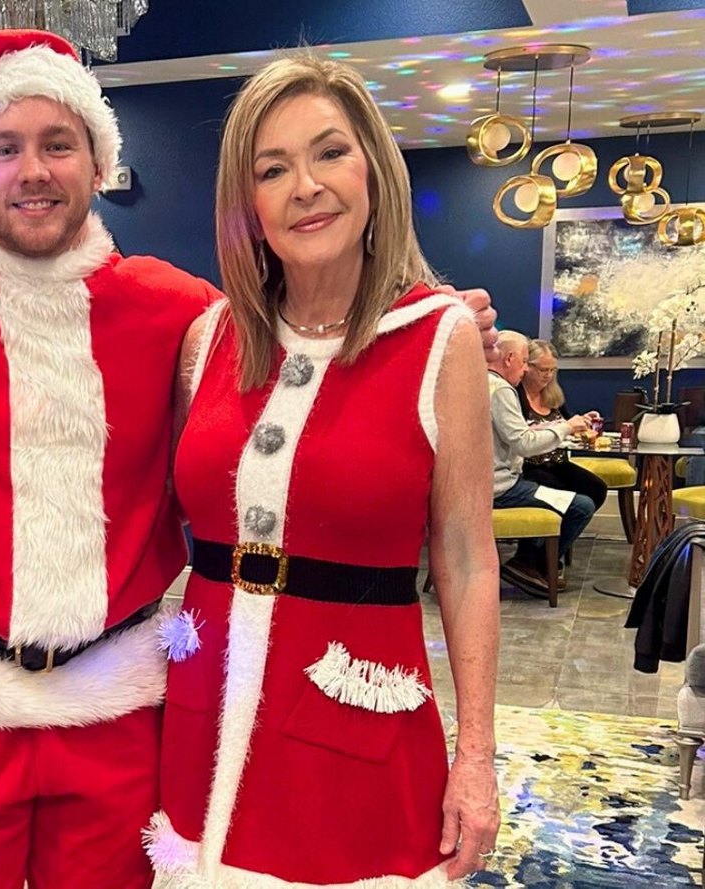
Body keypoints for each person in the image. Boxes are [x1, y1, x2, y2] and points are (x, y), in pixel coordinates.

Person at [0, 29, 499, 888]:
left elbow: (449, 525)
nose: (33, 172)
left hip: (125, 709)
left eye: (59, 144)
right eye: (5, 148)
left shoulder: (181, 313)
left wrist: (446, 321)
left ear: (98, 163)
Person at [142, 54, 502, 885]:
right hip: (204, 712)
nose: (306, 186)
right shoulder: (210, 339)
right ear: (249, 203)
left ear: (374, 169)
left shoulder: (440, 338)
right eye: (273, 169)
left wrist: (476, 753)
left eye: (330, 153)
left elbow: (467, 554)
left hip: (353, 720)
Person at [489, 331, 596, 596]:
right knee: (581, 506)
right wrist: (566, 428)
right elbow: (523, 444)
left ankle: (531, 563)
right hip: (502, 488)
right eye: (525, 362)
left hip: (481, 483)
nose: (525, 369)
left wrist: (560, 425)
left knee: (583, 487)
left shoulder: (479, 382)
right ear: (510, 358)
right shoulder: (502, 389)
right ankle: (529, 563)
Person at [518, 338, 607, 511]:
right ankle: (542, 536)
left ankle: (560, 535)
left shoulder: (552, 396)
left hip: (557, 462)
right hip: (528, 467)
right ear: (527, 366)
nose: (548, 375)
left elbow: (566, 423)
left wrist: (582, 421)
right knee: (564, 494)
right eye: (543, 369)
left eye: (552, 370)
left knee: (596, 489)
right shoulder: (515, 396)